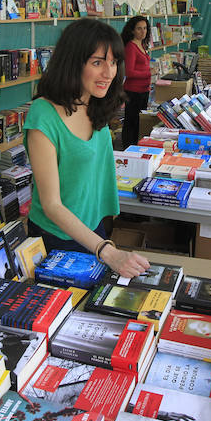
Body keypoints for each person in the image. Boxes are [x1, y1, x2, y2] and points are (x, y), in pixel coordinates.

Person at [24, 19, 150, 278]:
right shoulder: (43, 116)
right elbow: (51, 205)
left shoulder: (95, 102)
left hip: (95, 230)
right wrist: (106, 250)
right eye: (97, 62)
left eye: (114, 62)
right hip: (58, 238)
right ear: (73, 62)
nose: (109, 72)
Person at [121, 15, 152, 148]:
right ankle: (128, 148)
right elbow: (129, 72)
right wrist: (149, 73)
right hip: (133, 91)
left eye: (145, 28)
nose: (143, 31)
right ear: (132, 30)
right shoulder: (131, 47)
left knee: (139, 122)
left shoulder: (142, 44)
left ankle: (135, 147)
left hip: (143, 90)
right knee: (131, 122)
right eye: (139, 29)